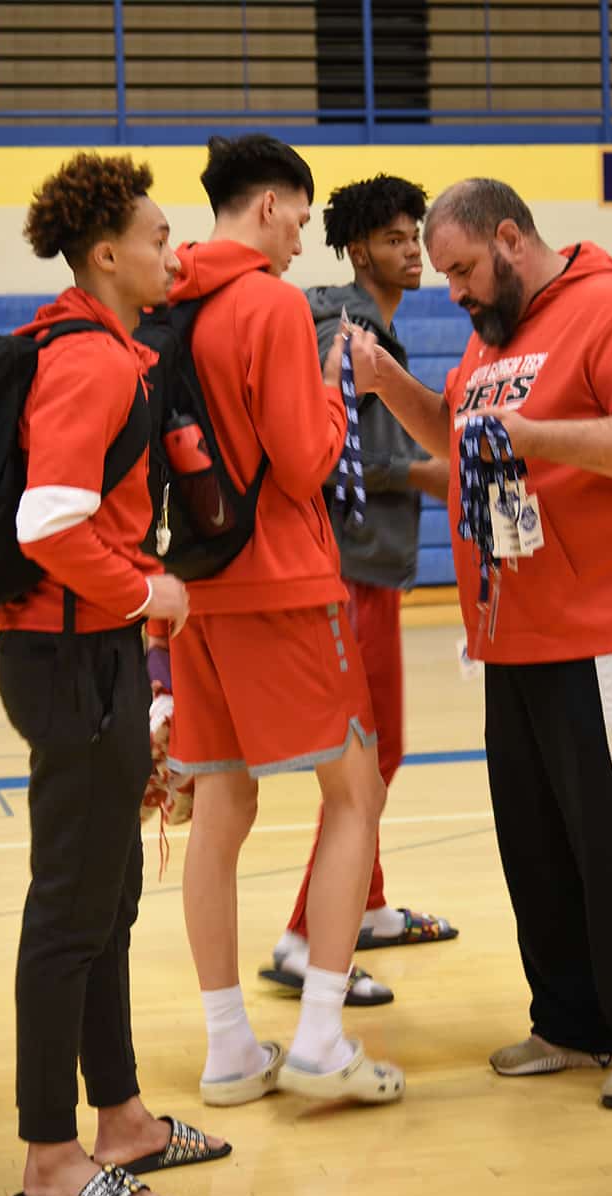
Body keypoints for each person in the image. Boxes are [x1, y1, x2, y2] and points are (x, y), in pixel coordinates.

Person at [358, 176, 612, 1109]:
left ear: (510, 237)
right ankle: (568, 1020)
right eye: (446, 277)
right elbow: (469, 438)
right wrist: (391, 386)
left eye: (464, 269)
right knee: (537, 845)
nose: (456, 291)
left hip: (610, 632)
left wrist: (537, 434)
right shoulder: (491, 336)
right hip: (511, 635)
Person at [0, 152, 228, 1196]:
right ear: (107, 256)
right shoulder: (90, 362)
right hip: (71, 656)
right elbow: (46, 521)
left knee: (111, 894)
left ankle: (121, 1117)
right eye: (159, 238)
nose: (170, 254)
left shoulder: (95, 346)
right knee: (69, 908)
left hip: (88, 652)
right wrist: (147, 596)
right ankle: (50, 1159)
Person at [159, 134, 405, 1106]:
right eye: (301, 218)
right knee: (353, 792)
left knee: (220, 812)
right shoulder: (266, 302)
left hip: (192, 595)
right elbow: (305, 464)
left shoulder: (162, 301)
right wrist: (340, 392)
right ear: (266, 205)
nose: (305, 237)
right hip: (283, 584)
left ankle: (227, 1051)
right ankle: (317, 1040)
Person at [260, 174, 456, 1006]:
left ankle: (365, 906)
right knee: (369, 757)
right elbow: (329, 453)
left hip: (365, 565)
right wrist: (437, 473)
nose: (411, 252)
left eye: (416, 237)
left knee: (379, 745)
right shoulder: (346, 328)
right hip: (343, 568)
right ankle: (305, 935)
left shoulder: (363, 323)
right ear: (356, 249)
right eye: (395, 240)